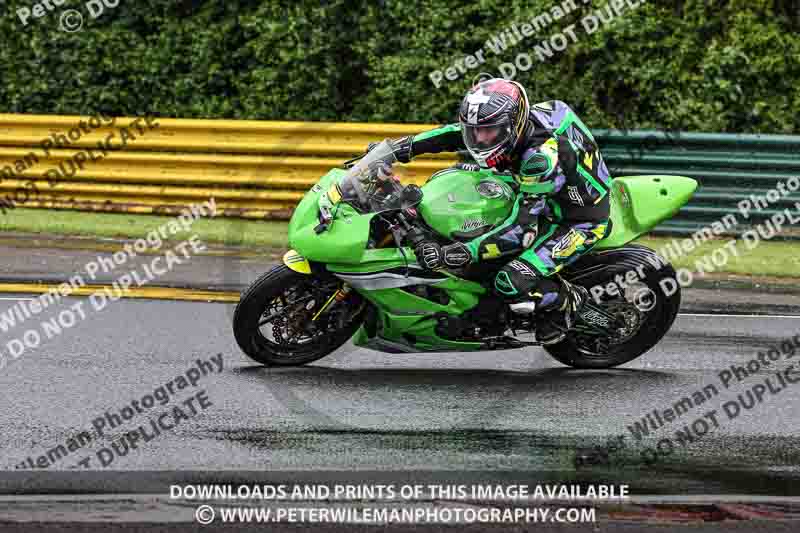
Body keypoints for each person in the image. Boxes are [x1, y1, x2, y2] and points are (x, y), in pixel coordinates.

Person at [370, 78, 612, 344]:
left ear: (514, 125)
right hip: (535, 188)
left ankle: (565, 301)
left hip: (575, 219)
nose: (480, 139)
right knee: (456, 181)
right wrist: (395, 149)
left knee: (509, 280)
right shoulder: (517, 123)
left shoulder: (539, 159)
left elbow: (521, 230)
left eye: (489, 132)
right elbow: (453, 133)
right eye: (475, 132)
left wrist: (463, 252)